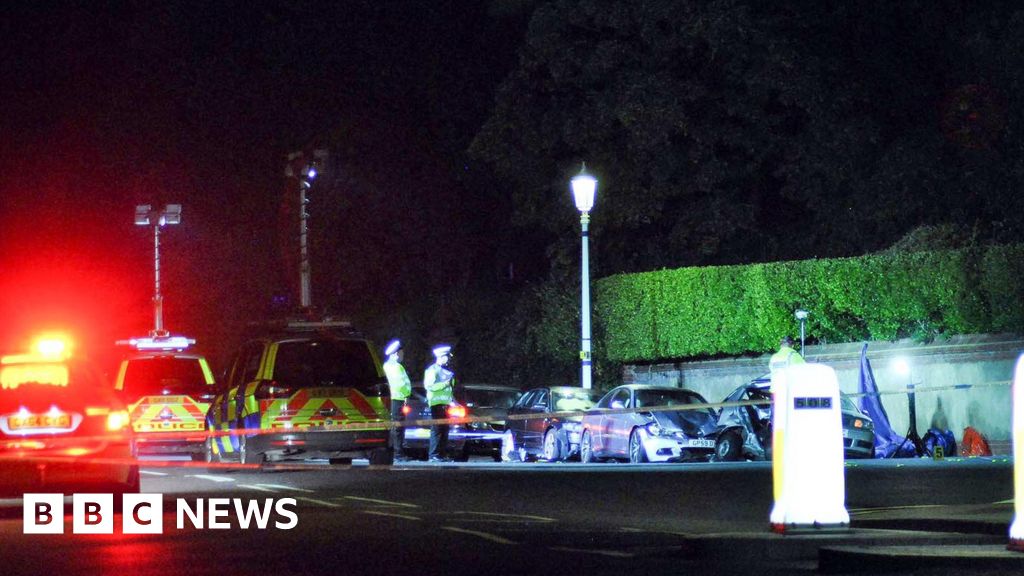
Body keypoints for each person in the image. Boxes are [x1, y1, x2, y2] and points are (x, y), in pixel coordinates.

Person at [423, 344, 455, 462]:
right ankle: (434, 455)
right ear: (441, 357)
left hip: (445, 405)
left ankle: (442, 454)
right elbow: (429, 386)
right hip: (436, 405)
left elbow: (451, 389)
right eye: (447, 357)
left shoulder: (447, 370)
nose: (449, 359)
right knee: (436, 430)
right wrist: (444, 384)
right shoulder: (432, 370)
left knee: (444, 430)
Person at [382, 339, 412, 462]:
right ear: (395, 354)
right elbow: (401, 384)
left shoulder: (386, 366)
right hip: (398, 399)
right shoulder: (396, 367)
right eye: (401, 353)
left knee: (396, 427)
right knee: (398, 428)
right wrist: (406, 395)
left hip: (393, 399)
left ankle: (397, 452)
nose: (402, 356)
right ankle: (398, 453)